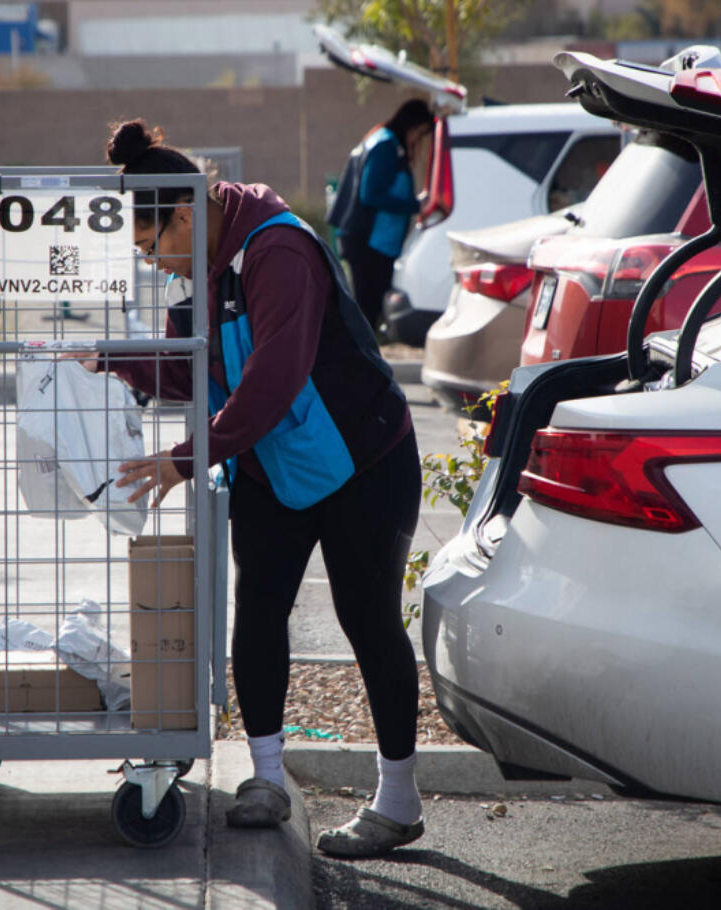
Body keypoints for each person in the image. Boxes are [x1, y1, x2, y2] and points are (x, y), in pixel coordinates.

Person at [96, 119, 425, 858]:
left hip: (365, 460)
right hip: (274, 463)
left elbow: (272, 378)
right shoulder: (204, 273)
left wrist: (186, 458)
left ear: (183, 215)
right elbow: (195, 367)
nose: (153, 266)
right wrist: (110, 356)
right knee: (260, 611)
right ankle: (267, 781)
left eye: (151, 247)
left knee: (368, 619)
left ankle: (399, 802)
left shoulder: (275, 250)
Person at [328, 98, 435, 330]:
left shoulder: (382, 140)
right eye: (420, 132)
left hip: (368, 240)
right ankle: (361, 362)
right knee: (367, 308)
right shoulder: (386, 146)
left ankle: (365, 359)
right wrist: (414, 207)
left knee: (368, 308)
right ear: (411, 125)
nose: (419, 139)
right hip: (368, 242)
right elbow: (371, 194)